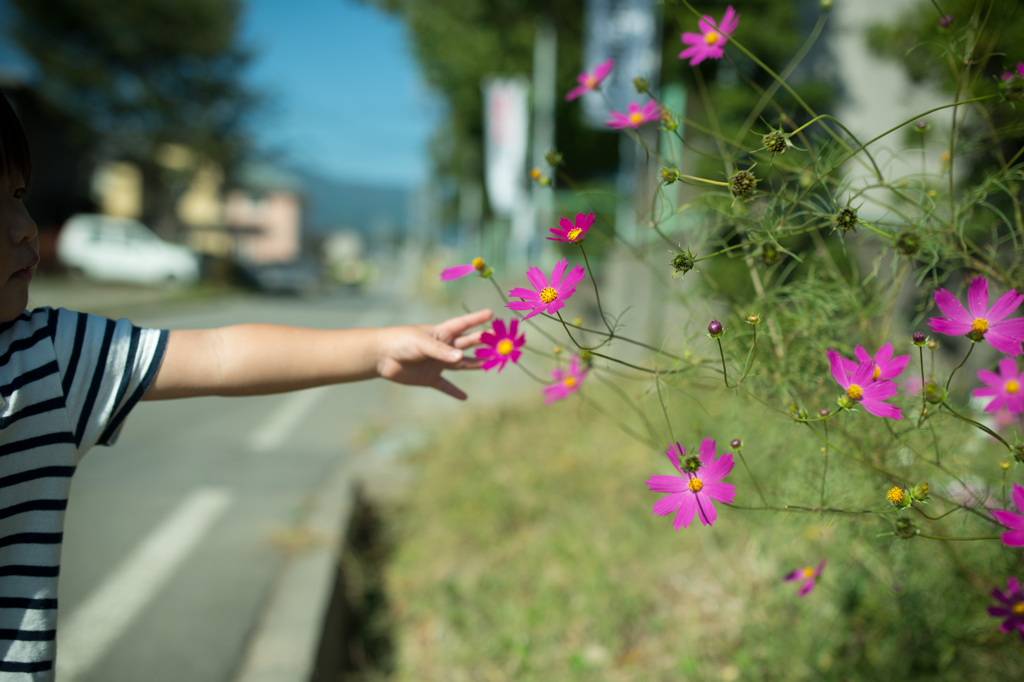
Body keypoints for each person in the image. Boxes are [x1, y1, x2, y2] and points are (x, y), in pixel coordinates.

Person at [0, 90, 492, 679]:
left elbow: (217, 352)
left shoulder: (45, 359)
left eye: (19, 195)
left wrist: (377, 347)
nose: (25, 227)